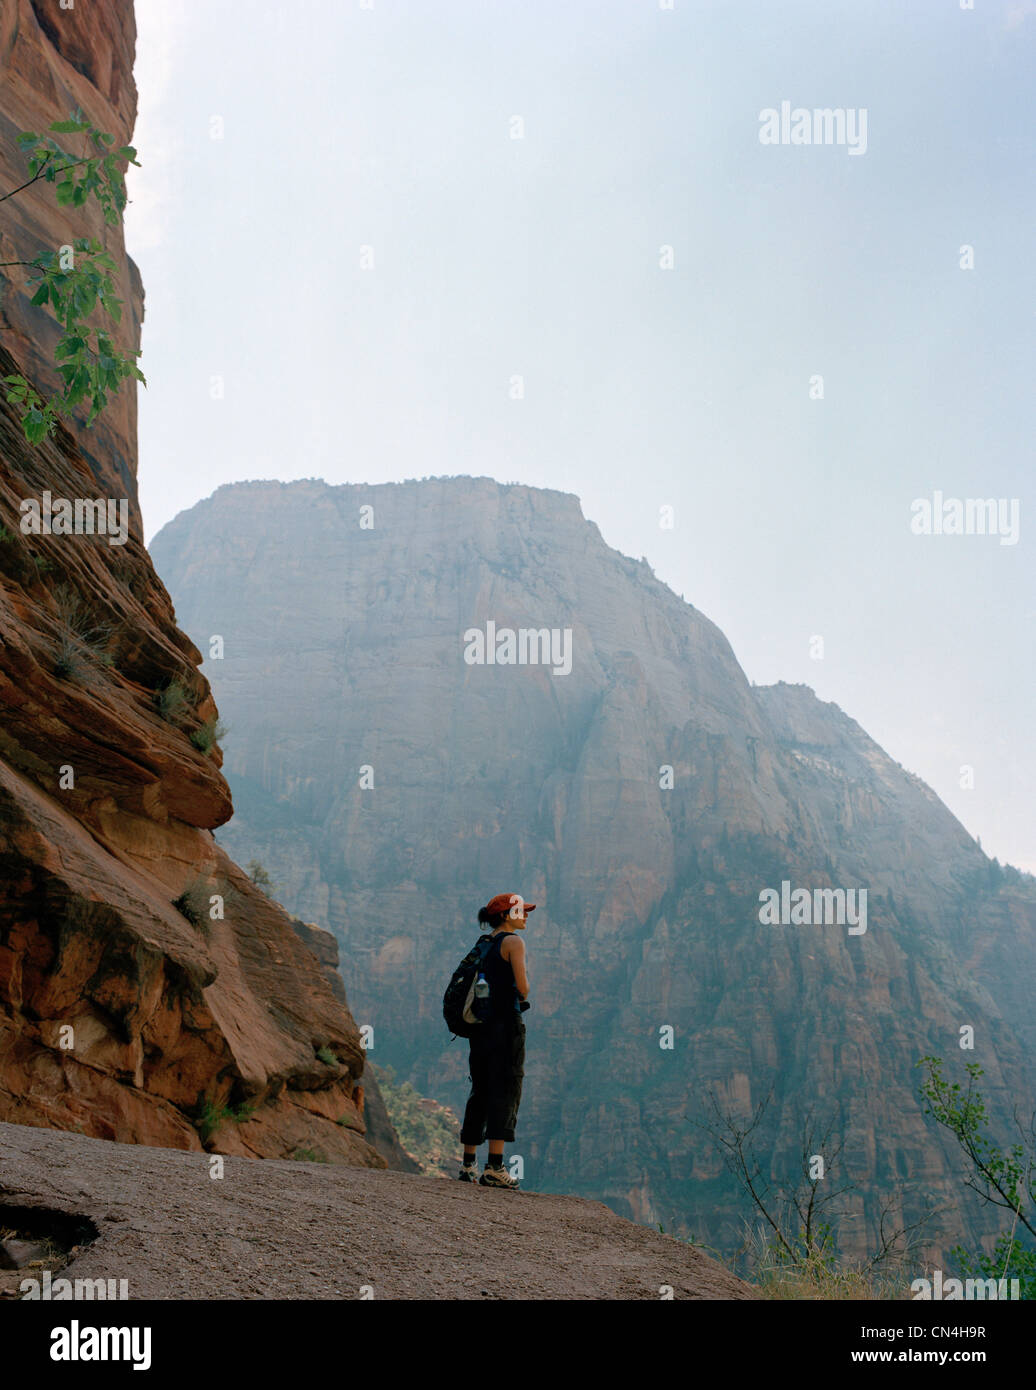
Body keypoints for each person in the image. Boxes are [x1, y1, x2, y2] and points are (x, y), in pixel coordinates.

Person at [458, 892, 533, 1189]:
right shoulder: (513, 942)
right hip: (505, 1027)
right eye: (520, 911)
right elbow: (524, 989)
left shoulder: (483, 943)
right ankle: (495, 1167)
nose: (525, 916)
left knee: (480, 1088)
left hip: (481, 1029)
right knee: (506, 1087)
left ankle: (468, 1165)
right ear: (505, 915)